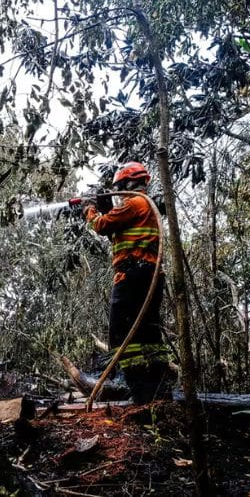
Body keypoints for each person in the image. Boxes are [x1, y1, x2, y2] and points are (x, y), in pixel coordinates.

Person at [83, 162, 170, 405]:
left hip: (132, 277)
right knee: (148, 334)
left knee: (121, 334)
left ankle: (137, 389)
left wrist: (90, 209)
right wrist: (107, 208)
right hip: (148, 276)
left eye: (120, 188)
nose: (119, 194)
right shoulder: (145, 207)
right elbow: (116, 233)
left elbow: (101, 226)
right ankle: (157, 390)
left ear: (128, 184)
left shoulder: (135, 203)